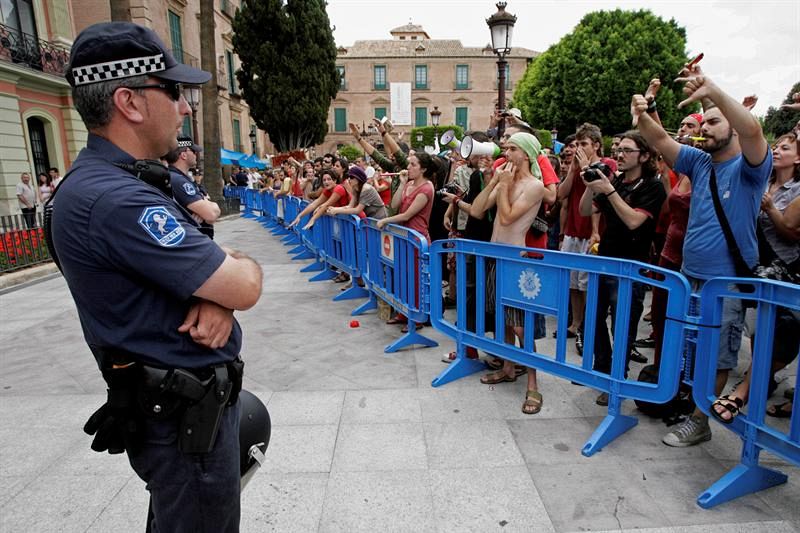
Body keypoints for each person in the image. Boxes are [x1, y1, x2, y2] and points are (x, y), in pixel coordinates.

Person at [49, 22, 263, 531]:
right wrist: (229, 288)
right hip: (182, 422)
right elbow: (244, 282)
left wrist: (220, 297)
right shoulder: (118, 198)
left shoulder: (126, 179)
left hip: (180, 413)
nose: (186, 106)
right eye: (173, 91)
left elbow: (211, 257)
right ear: (130, 101)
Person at [633, 63, 772, 447]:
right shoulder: (699, 162)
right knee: (688, 346)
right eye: (703, 122)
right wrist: (642, 114)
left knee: (717, 353)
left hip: (725, 282)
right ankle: (688, 404)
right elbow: (659, 140)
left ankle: (700, 420)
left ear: (730, 123)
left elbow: (754, 131)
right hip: (687, 274)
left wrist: (714, 93)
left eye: (714, 121)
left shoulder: (751, 168)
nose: (705, 127)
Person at [710, 131, 800, 422]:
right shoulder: (761, 179)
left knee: (780, 337)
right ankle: (757, 381)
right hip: (754, 269)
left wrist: (771, 208)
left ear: (798, 158)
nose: (776, 150)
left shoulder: (797, 190)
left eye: (785, 148)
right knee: (759, 333)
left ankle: (744, 390)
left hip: (785, 272)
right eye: (776, 145)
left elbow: (789, 230)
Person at [578, 131, 667, 405]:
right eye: (619, 148)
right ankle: (603, 371)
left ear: (644, 155)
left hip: (630, 268)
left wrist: (610, 191)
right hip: (605, 260)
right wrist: (589, 183)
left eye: (627, 150)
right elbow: (584, 211)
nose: (620, 153)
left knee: (623, 325)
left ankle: (618, 377)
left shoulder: (653, 186)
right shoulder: (615, 181)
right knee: (591, 321)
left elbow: (633, 221)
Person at [470, 132, 547, 415]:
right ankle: (508, 367)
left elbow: (507, 217)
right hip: (495, 257)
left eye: (512, 149)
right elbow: (478, 211)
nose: (506, 153)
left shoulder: (534, 186)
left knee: (520, 325)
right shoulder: (504, 179)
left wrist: (502, 188)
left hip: (516, 260)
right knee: (502, 319)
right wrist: (494, 182)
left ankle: (533, 383)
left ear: (525, 154)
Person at [165, 135, 220, 239]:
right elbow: (211, 214)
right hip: (194, 239)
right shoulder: (179, 180)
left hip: (195, 238)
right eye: (193, 151)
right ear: (184, 155)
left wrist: (205, 203)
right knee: (237, 255)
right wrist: (207, 203)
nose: (196, 154)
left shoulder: (180, 177)